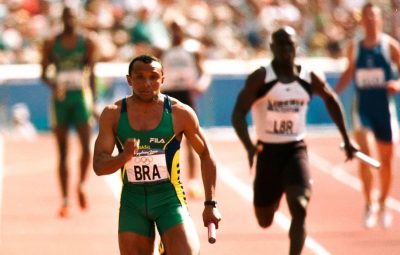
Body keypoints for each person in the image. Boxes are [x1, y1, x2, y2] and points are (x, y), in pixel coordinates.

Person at [231, 26, 357, 255]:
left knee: (299, 208)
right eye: (281, 44)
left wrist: (347, 139)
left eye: (290, 44)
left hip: (295, 150)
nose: (286, 49)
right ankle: (276, 192)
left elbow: (331, 99)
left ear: (296, 46)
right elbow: (238, 112)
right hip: (267, 152)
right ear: (272, 48)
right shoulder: (261, 77)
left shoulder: (309, 77)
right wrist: (249, 146)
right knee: (264, 219)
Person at [93, 55, 221, 255]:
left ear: (163, 79)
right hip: (132, 201)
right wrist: (123, 157)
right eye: (140, 77)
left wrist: (210, 204)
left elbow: (206, 154)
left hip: (168, 199)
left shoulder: (180, 113)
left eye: (153, 77)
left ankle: (166, 245)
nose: (147, 83)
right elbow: (99, 166)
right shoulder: (113, 114)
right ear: (129, 80)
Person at [335, 2, 400, 229]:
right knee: (366, 153)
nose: (371, 20)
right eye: (367, 16)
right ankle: (368, 202)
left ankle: (382, 203)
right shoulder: (355, 47)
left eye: (375, 16)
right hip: (362, 109)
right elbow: (348, 73)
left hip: (384, 109)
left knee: (386, 159)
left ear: (380, 19)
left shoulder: (390, 47)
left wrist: (397, 85)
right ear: (362, 20)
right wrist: (332, 94)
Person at [41, 6, 97, 218]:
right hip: (61, 100)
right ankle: (65, 199)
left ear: (77, 18)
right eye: (66, 17)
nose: (69, 20)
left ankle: (82, 184)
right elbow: (43, 73)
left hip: (81, 97)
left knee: (86, 146)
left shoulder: (87, 42)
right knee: (62, 151)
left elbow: (92, 72)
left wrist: (94, 102)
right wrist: (54, 85)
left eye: (72, 16)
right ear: (62, 18)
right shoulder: (51, 44)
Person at [160, 21, 210, 199]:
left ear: (183, 30)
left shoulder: (193, 51)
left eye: (179, 29)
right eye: (173, 30)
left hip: (186, 94)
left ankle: (193, 181)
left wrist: (201, 85)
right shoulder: (162, 51)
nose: (176, 33)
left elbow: (203, 72)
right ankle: (166, 179)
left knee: (191, 137)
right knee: (166, 138)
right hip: (168, 95)